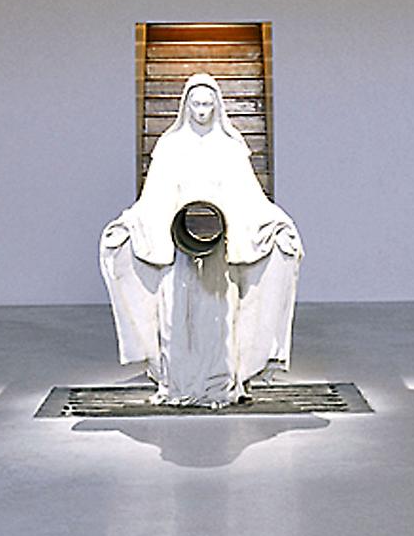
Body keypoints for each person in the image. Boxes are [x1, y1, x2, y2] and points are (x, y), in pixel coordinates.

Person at [99, 71, 300, 407]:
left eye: (208, 104)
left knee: (218, 317)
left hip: (221, 247)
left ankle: (220, 384)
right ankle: (178, 383)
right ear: (186, 106)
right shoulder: (170, 146)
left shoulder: (231, 146)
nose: (202, 110)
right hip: (179, 248)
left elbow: (249, 196)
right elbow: (154, 197)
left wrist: (277, 224)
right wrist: (130, 223)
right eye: (196, 103)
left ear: (218, 105)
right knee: (176, 318)